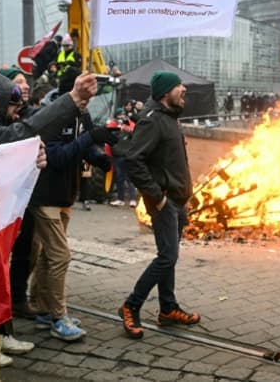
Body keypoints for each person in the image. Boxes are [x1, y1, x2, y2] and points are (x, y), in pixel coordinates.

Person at [26, 67, 116, 342]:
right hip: (46, 196)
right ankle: (58, 317)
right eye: (84, 96)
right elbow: (56, 156)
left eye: (91, 97)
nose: (87, 103)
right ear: (71, 91)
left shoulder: (83, 112)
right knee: (61, 256)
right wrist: (90, 139)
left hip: (66, 194)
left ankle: (42, 309)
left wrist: (100, 156)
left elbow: (85, 143)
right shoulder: (49, 115)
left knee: (47, 255)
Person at [118, 71, 199, 339]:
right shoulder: (153, 121)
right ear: (165, 92)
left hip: (177, 200)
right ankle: (131, 305)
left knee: (169, 257)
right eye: (178, 86)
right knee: (167, 257)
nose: (184, 89)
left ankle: (167, 309)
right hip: (165, 203)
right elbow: (133, 159)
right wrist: (157, 197)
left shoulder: (171, 118)